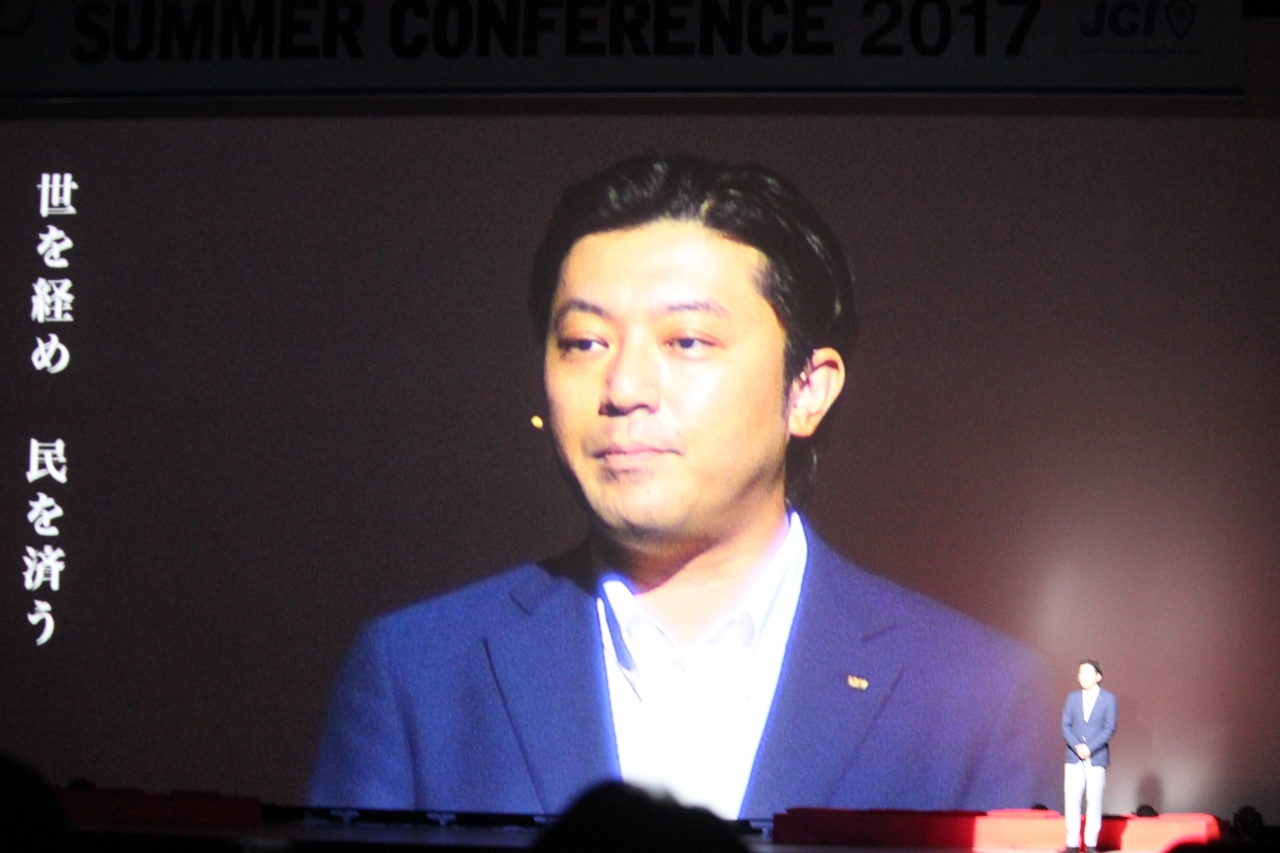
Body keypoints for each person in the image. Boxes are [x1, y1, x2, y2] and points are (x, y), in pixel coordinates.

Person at [309, 154, 1058, 819]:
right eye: (584, 342)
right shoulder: (420, 674)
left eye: (687, 341)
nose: (624, 387)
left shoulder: (973, 695)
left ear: (807, 389)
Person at [1061, 660, 1117, 853]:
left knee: (1094, 801)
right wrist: (1078, 746)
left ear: (1098, 676)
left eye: (1086, 672)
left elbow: (1109, 728)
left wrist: (1089, 748)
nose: (1082, 676)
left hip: (1096, 757)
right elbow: (1065, 725)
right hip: (1073, 756)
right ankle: (1072, 844)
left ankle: (1091, 844)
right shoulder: (1072, 698)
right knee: (1072, 800)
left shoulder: (1108, 699)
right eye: (1080, 673)